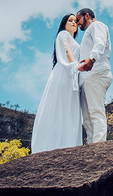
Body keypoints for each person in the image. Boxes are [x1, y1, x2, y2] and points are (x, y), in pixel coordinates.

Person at [30, 14, 83, 153]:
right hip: (66, 73)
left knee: (68, 108)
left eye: (75, 21)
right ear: (64, 24)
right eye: (70, 21)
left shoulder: (73, 39)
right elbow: (68, 51)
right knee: (62, 107)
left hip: (71, 74)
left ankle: (67, 144)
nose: (73, 23)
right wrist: (76, 66)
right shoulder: (63, 34)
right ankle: (57, 145)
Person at [76, 8, 111, 144]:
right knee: (87, 119)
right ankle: (91, 147)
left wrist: (92, 59)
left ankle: (99, 146)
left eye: (78, 20)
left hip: (97, 73)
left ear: (87, 16)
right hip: (86, 79)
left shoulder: (97, 25)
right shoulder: (87, 34)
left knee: (96, 111)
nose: (78, 24)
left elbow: (100, 42)